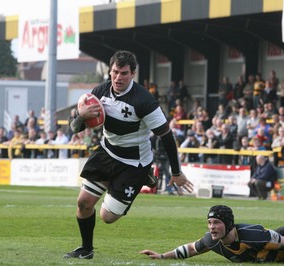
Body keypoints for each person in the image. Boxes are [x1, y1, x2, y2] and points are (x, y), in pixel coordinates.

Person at [64, 50, 193, 260]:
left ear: (132, 73)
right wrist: (80, 116)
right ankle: (86, 249)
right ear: (110, 71)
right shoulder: (100, 92)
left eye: (124, 73)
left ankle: (145, 175)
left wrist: (176, 172)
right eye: (115, 72)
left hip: (133, 163)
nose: (118, 77)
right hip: (107, 152)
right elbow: (75, 128)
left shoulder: (144, 101)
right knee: (83, 203)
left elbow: (167, 137)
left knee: (107, 217)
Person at [141, 192, 284, 264]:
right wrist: (162, 256)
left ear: (229, 224)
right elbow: (191, 249)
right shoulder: (212, 240)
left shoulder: (252, 234)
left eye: (217, 223)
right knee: (283, 232)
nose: (212, 227)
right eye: (210, 223)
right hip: (282, 251)